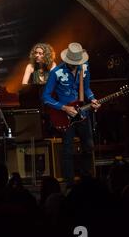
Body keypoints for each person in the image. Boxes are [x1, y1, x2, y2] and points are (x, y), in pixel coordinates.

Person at [42, 42, 101, 187]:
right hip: (65, 115)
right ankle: (69, 184)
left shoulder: (85, 67)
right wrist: (63, 108)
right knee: (67, 149)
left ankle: (86, 179)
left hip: (82, 112)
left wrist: (93, 98)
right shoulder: (56, 72)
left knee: (88, 146)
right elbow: (45, 97)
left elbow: (86, 88)